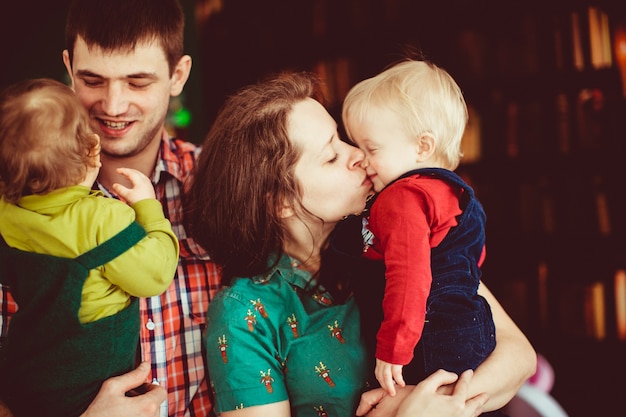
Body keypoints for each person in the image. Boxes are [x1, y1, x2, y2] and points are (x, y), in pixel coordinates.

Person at [184, 71, 536, 417]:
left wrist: (438, 401)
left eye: (340, 138)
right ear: (279, 202)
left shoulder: (389, 233)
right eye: (331, 156)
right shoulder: (245, 315)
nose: (357, 155)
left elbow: (519, 356)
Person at [0, 1, 222, 416]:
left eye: (138, 82)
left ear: (178, 75)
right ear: (68, 68)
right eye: (92, 80)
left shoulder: (226, 184)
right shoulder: (10, 203)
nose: (114, 106)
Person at [0, 77, 179, 417]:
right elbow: (155, 275)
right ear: (91, 149)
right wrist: (149, 209)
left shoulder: (7, 214)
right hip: (91, 380)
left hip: (28, 382)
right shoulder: (103, 219)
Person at [341, 58, 501, 411]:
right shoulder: (455, 194)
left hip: (428, 340)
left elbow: (409, 275)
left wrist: (392, 353)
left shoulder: (400, 198)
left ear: (422, 147)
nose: (361, 159)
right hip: (471, 331)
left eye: (372, 149)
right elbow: (473, 260)